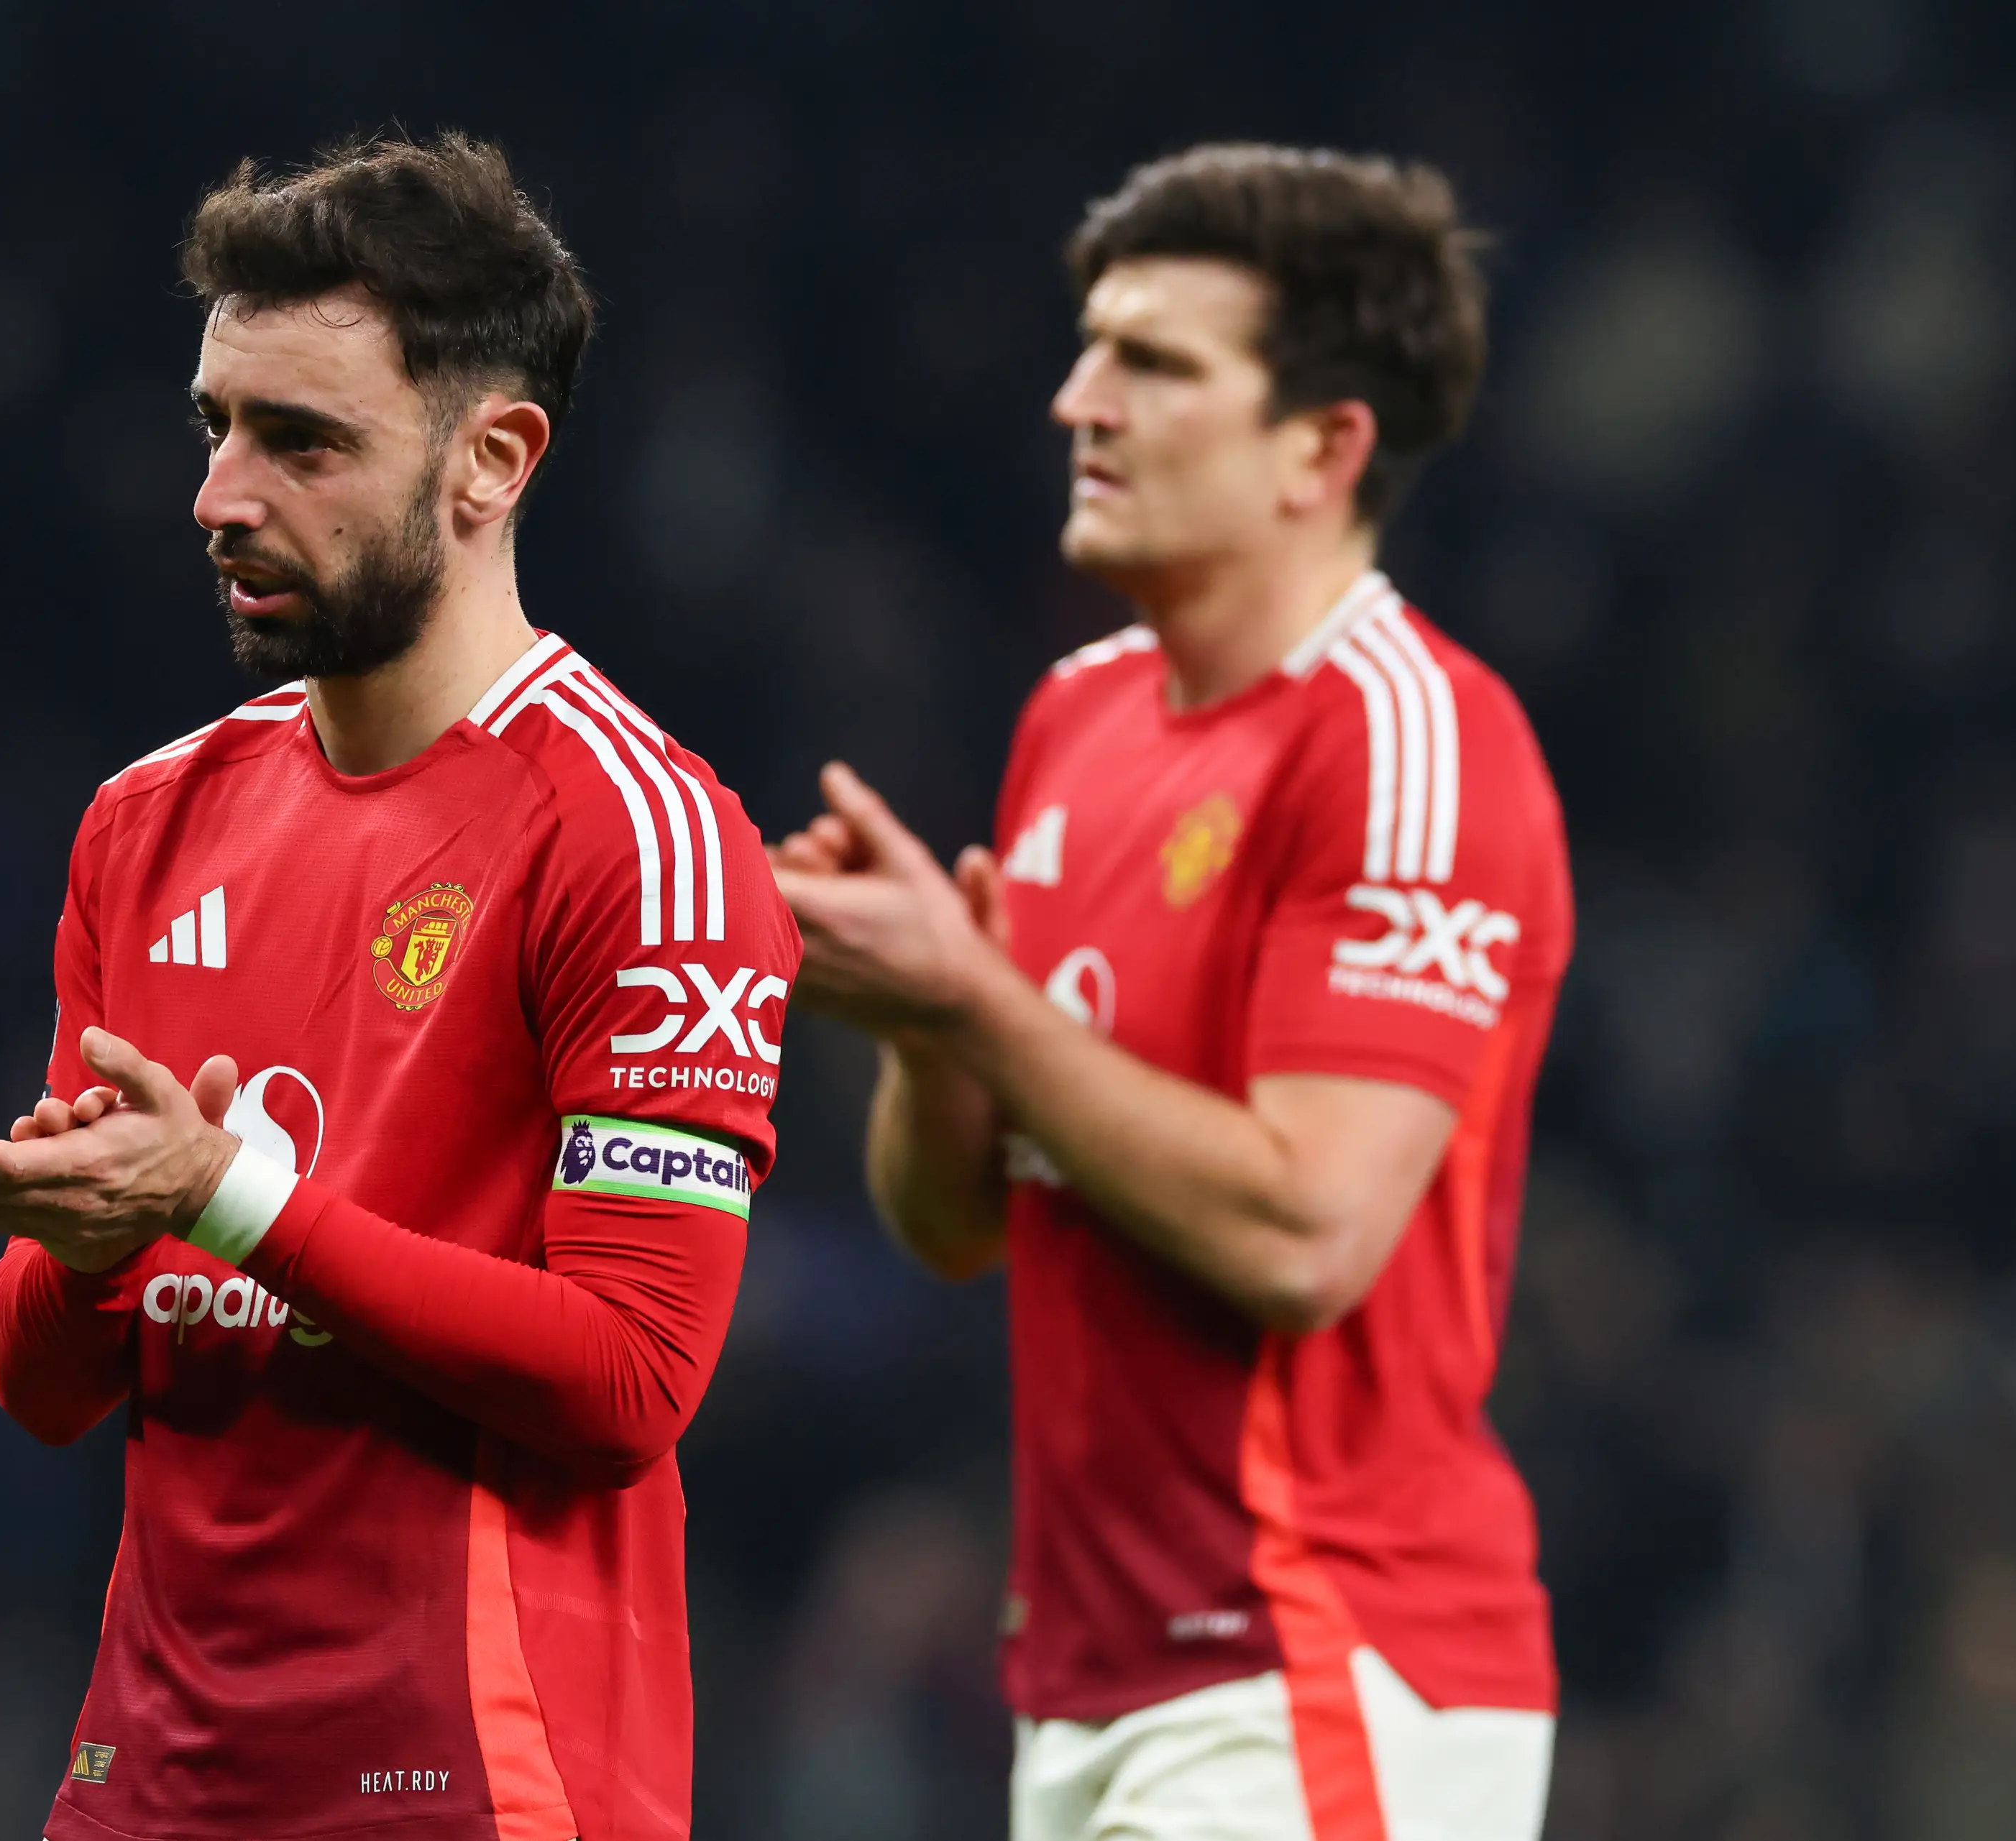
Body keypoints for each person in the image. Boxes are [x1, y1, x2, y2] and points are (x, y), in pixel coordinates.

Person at [0, 134, 797, 1841]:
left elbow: (634, 1376)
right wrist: (88, 1246)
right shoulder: (147, 822)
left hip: (473, 1779)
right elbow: (42, 1384)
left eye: (301, 439)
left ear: (491, 461)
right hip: (150, 1783)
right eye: (215, 424)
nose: (222, 495)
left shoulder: (639, 834)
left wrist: (228, 1198)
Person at [772, 144, 1571, 1841]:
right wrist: (932, 1021)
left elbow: (1308, 1236)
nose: (1080, 400)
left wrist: (981, 1006)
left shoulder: (1411, 740)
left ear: (1324, 447)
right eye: (1090, 349)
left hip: (1317, 1656)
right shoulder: (1078, 711)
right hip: (1089, 1675)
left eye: (1154, 363)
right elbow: (957, 1221)